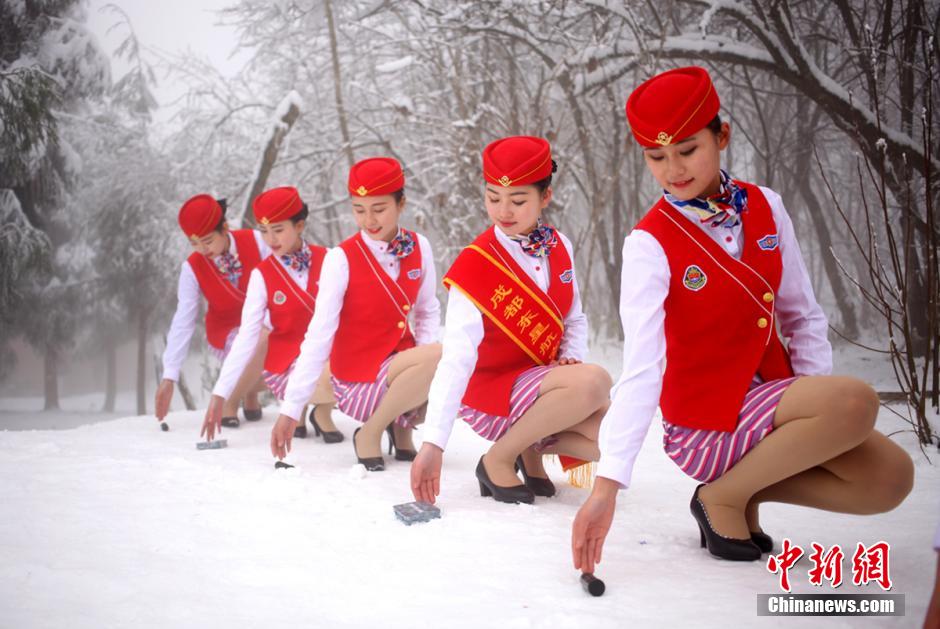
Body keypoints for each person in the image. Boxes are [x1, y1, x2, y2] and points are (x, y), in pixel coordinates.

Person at [572, 66, 913, 571]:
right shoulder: (648, 244)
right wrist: (607, 487)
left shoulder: (765, 206)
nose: (673, 170)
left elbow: (803, 316)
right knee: (855, 400)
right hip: (703, 425)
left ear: (721, 135)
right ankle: (724, 499)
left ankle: (732, 491)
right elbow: (642, 368)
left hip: (770, 405)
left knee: (890, 478)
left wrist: (812, 419)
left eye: (687, 150)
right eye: (656, 157)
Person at [411, 136, 611, 505]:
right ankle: (498, 459)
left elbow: (574, 317)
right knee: (596, 382)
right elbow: (456, 356)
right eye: (493, 197)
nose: (503, 210)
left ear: (545, 197)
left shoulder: (560, 246)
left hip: (544, 384)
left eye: (518, 200)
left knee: (609, 434)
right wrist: (433, 442)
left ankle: (528, 450)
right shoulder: (476, 263)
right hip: (493, 389)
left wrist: (570, 356)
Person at [270, 158, 441, 471]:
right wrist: (291, 408)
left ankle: (401, 426)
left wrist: (422, 369)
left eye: (378, 208)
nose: (368, 220)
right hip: (358, 377)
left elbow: (428, 311)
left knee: (450, 360)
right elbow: (319, 333)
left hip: (400, 365)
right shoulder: (341, 258)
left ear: (401, 203)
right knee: (439, 359)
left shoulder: (420, 246)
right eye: (359, 209)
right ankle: (370, 433)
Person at [201, 186, 336, 445]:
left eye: (278, 230)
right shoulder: (261, 275)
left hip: (326, 355)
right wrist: (221, 393)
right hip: (286, 362)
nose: (270, 240)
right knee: (327, 372)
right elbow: (247, 336)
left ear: (299, 225)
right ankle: (299, 409)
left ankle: (322, 412)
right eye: (264, 231)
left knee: (342, 363)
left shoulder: (329, 259)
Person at [156, 194, 269, 428]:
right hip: (226, 329)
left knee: (275, 349)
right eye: (194, 243)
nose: (202, 249)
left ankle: (248, 393)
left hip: (265, 320)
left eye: (207, 241)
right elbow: (183, 320)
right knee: (253, 344)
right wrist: (170, 375)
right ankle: (231, 400)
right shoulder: (192, 267)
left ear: (225, 228)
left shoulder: (258, 241)